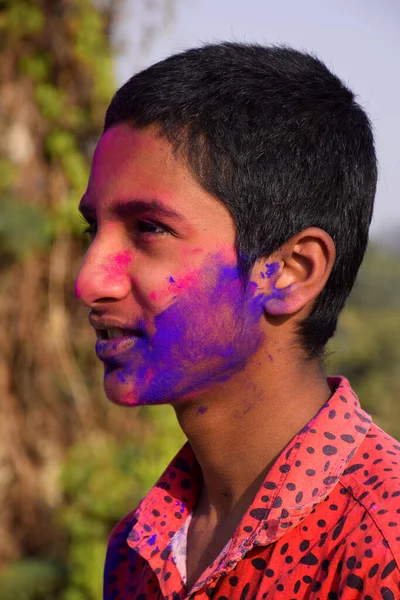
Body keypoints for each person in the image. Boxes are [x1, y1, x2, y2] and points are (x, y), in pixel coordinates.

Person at [75, 43, 400, 599]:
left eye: (148, 228)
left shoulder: (381, 546)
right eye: (92, 230)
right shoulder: (137, 549)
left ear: (290, 272)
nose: (90, 279)